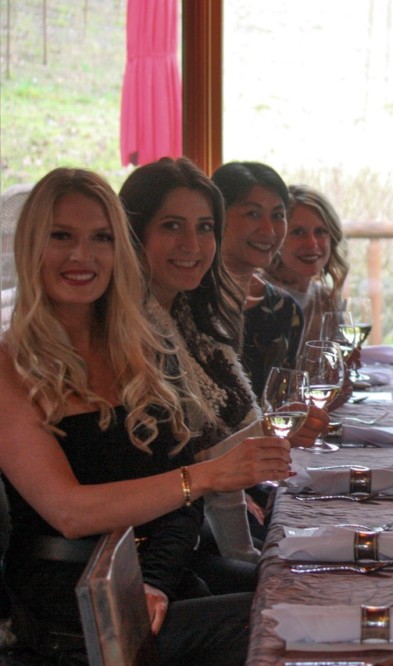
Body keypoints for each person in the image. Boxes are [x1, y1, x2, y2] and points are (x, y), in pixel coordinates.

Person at [0, 168, 291, 664]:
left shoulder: (138, 351)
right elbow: (69, 512)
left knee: (302, 594)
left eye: (101, 239)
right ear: (31, 247)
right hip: (72, 610)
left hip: (160, 579)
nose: (82, 256)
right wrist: (206, 475)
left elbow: (182, 503)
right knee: (288, 622)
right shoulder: (13, 364)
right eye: (61, 237)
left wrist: (156, 579)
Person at [119, 157, 327, 567]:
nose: (192, 245)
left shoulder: (194, 322)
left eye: (204, 228)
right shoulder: (125, 335)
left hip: (198, 535)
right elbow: (192, 471)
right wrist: (267, 432)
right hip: (157, 554)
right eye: (172, 226)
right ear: (133, 232)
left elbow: (221, 462)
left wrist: (274, 429)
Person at [212, 161, 303, 397]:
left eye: (278, 215)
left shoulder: (285, 311)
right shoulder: (188, 302)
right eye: (253, 213)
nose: (269, 229)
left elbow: (282, 404)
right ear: (217, 216)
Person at [263, 184, 349, 357]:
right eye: (298, 232)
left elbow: (337, 367)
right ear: (278, 238)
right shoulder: (259, 295)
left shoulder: (326, 299)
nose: (312, 243)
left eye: (320, 231)